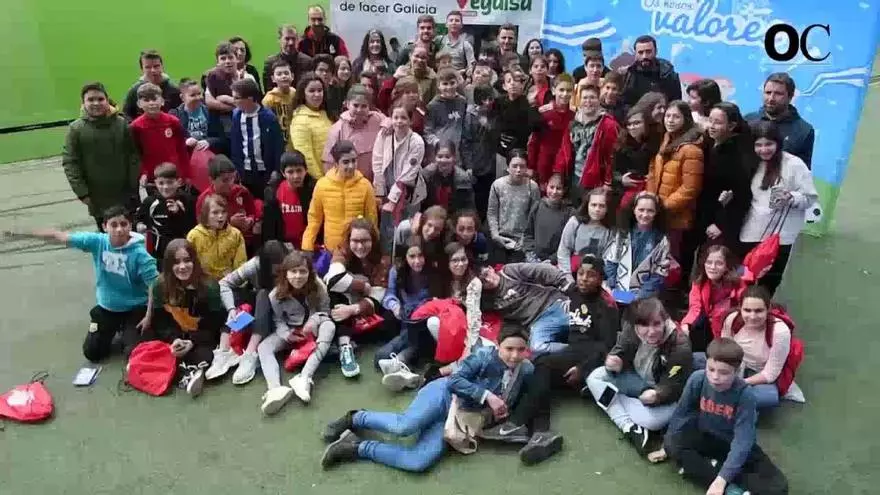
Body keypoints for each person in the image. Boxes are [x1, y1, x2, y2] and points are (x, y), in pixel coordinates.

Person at [319, 324, 533, 472]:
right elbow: (454, 381)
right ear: (499, 345)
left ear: (527, 350)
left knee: (418, 461)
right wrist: (487, 396)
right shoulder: (484, 355)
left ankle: (355, 448)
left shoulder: (526, 370)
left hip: (459, 417)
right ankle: (356, 417)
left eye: (520, 350)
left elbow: (522, 397)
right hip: (443, 395)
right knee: (404, 426)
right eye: (509, 349)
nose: (514, 355)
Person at [481, 254, 619, 465]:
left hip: (589, 354)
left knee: (542, 363)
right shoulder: (573, 292)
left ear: (601, 278)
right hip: (573, 348)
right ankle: (541, 433)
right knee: (541, 372)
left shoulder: (605, 304)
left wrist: (583, 369)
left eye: (591, 275)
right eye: (581, 274)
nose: (583, 279)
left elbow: (607, 345)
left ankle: (518, 423)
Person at [8, 205, 157, 361]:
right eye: (114, 225)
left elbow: (154, 285)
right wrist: (22, 234)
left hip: (135, 308)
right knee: (92, 353)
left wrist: (148, 315)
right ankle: (116, 329)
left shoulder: (141, 255)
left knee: (133, 353)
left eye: (123, 224)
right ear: (104, 227)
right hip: (108, 307)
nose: (119, 229)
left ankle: (129, 331)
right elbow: (59, 236)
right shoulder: (97, 242)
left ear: (130, 226)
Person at [658, 338, 789, 494]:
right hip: (705, 436)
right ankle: (730, 487)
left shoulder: (745, 394)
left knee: (779, 487)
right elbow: (681, 414)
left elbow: (743, 440)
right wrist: (666, 446)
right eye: (711, 369)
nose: (715, 377)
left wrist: (722, 479)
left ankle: (718, 473)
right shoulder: (698, 379)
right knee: (672, 444)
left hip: (731, 443)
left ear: (737, 370)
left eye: (724, 372)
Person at [585, 297, 692, 455]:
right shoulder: (631, 328)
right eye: (644, 325)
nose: (651, 331)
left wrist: (658, 394)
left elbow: (674, 387)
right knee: (594, 377)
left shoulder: (680, 346)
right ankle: (628, 427)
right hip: (636, 381)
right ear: (636, 324)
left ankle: (607, 397)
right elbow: (619, 351)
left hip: (659, 391)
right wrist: (615, 362)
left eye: (656, 324)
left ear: (665, 321)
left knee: (651, 421)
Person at [739, 121, 817, 295]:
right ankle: (741, 309)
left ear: (778, 143)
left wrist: (792, 197)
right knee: (744, 275)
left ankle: (761, 311)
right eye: (758, 145)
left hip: (780, 236)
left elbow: (810, 198)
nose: (764, 149)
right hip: (750, 231)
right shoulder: (750, 161)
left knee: (770, 279)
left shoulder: (794, 165)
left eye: (769, 144)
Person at [259, 252, 337, 411]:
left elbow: (325, 311)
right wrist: (287, 334)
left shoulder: (318, 285)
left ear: (309, 272)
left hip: (314, 327)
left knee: (329, 327)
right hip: (292, 331)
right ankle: (275, 389)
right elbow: (278, 320)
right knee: (264, 347)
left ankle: (304, 377)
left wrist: (314, 321)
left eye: (302, 271)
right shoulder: (275, 294)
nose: (298, 276)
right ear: (285, 273)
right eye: (293, 271)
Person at [151, 239, 225, 397]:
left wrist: (192, 341)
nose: (182, 266)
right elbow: (161, 322)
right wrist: (174, 340)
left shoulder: (210, 286)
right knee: (148, 344)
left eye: (187, 260)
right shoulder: (159, 285)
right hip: (175, 333)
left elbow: (214, 325)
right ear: (168, 265)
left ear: (195, 261)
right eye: (176, 262)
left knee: (207, 354)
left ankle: (187, 372)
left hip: (201, 335)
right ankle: (188, 370)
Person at [63, 82, 140, 230]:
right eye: (91, 100)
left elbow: (133, 156)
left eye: (100, 99)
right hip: (97, 198)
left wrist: (132, 185)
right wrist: (82, 193)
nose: (96, 103)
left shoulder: (122, 124)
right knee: (106, 241)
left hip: (125, 195)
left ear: (107, 100)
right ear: (83, 103)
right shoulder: (76, 129)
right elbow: (70, 163)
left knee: (131, 237)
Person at [323, 218, 393, 377]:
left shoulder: (383, 258)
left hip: (365, 308)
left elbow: (377, 298)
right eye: (355, 240)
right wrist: (363, 286)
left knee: (390, 321)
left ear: (373, 240)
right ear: (349, 240)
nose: (360, 246)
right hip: (344, 301)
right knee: (335, 295)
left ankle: (343, 338)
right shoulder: (342, 250)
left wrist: (353, 309)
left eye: (365, 241)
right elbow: (332, 281)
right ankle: (345, 348)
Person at [217, 240, 290, 385]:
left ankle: (250, 354)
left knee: (263, 294)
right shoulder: (254, 265)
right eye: (274, 270)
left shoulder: (294, 263)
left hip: (284, 314)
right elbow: (224, 283)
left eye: (281, 269)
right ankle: (224, 350)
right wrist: (231, 308)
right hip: (260, 314)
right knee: (239, 298)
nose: (277, 272)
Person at [715, 286, 795, 410]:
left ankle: (723, 401)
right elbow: (725, 352)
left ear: (768, 309)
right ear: (740, 308)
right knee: (696, 358)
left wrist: (738, 383)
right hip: (735, 366)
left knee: (768, 397)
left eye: (758, 311)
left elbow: (770, 374)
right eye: (747, 310)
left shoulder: (780, 331)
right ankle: (733, 402)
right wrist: (725, 374)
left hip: (760, 374)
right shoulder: (731, 319)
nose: (752, 316)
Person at [646, 100, 704, 259]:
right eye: (668, 116)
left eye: (676, 117)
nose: (670, 120)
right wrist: (650, 200)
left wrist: (663, 206)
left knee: (670, 262)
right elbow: (653, 171)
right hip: (657, 212)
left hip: (676, 217)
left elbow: (690, 188)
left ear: (685, 119)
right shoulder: (665, 140)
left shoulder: (691, 150)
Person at [695, 102, 755, 253]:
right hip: (703, 217)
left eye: (718, 122)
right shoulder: (709, 144)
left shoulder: (739, 155)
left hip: (720, 225)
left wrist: (721, 224)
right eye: (710, 121)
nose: (712, 126)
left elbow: (742, 196)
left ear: (732, 125)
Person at [375, 237, 434, 390]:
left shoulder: (432, 271)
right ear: (405, 257)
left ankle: (399, 362)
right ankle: (401, 367)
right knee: (379, 358)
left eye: (420, 256)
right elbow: (389, 295)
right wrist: (395, 307)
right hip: (406, 320)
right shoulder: (397, 271)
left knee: (419, 334)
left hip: (426, 321)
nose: (417, 261)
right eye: (412, 256)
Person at [479, 262, 572, 354]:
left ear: (491, 268)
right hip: (537, 323)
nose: (489, 280)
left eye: (486, 274)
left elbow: (541, 270)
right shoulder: (487, 300)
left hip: (553, 305)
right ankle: (577, 350)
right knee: (537, 347)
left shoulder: (508, 272)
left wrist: (566, 285)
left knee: (580, 328)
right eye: (483, 281)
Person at [302, 141, 379, 254]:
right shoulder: (322, 185)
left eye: (354, 160)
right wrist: (307, 245)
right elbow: (314, 218)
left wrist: (375, 247)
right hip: (332, 249)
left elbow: (372, 220)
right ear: (336, 164)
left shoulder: (365, 185)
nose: (351, 166)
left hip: (359, 249)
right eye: (346, 162)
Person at [555, 83, 619, 202]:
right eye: (585, 98)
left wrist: (608, 182)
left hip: (596, 182)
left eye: (592, 97)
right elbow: (564, 151)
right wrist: (558, 173)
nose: (588, 101)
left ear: (599, 100)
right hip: (574, 178)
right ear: (579, 100)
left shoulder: (608, 125)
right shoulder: (572, 123)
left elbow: (612, 156)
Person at [372, 102, 427, 236]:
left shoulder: (416, 142)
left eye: (403, 118)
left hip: (409, 192)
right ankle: (387, 255)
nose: (399, 122)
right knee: (387, 231)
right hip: (386, 188)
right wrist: (380, 193)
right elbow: (377, 162)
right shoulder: (384, 135)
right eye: (395, 117)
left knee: (407, 231)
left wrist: (392, 201)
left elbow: (407, 176)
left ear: (410, 120)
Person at [681, 245, 749, 353]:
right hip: (708, 323)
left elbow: (744, 308)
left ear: (727, 266)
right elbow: (695, 307)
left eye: (719, 263)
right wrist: (686, 324)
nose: (712, 267)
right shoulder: (699, 282)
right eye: (709, 262)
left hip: (730, 326)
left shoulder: (738, 285)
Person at [604, 192, 672, 299]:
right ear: (634, 210)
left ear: (656, 213)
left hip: (644, 295)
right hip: (617, 291)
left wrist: (641, 294)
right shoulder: (623, 233)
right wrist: (612, 285)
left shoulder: (661, 240)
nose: (645, 215)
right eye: (641, 210)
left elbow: (660, 273)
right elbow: (611, 262)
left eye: (650, 211)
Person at [745, 72, 814, 168]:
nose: (771, 98)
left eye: (778, 94)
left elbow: (802, 174)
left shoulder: (804, 130)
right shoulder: (747, 121)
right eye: (768, 93)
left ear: (790, 97)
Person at [229, 78, 283, 198]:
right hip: (245, 172)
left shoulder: (268, 118)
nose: (234, 101)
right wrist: (237, 168)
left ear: (250, 99)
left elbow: (277, 146)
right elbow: (235, 145)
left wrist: (277, 170)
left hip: (265, 172)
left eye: (237, 98)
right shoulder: (236, 116)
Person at [487, 149, 541, 264]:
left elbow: (535, 217)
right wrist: (495, 235)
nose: (518, 170)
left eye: (522, 166)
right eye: (514, 166)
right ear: (508, 167)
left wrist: (525, 241)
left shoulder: (533, 187)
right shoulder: (498, 185)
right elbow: (492, 212)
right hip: (500, 237)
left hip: (522, 241)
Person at [130, 83, 190, 185]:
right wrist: (143, 173)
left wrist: (186, 174)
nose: (151, 103)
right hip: (152, 177)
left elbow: (182, 149)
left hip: (174, 175)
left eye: (154, 99)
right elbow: (136, 154)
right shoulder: (136, 126)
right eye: (146, 100)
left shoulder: (173, 121)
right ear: (139, 104)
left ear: (162, 101)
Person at [135, 163, 197, 261]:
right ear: (155, 183)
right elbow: (139, 219)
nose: (165, 187)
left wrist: (178, 213)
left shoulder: (187, 200)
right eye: (161, 183)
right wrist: (140, 225)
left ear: (179, 182)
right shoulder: (150, 202)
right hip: (158, 252)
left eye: (170, 182)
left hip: (182, 250)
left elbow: (193, 227)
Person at [322, 85, 384, 181]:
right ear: (347, 104)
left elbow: (393, 122)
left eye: (364, 106)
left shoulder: (378, 120)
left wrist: (389, 124)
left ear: (369, 107)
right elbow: (328, 163)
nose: (359, 110)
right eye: (355, 105)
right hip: (348, 184)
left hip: (375, 183)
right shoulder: (337, 129)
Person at [196, 155, 259, 249]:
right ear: (212, 180)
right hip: (219, 248)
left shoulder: (241, 191)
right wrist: (229, 223)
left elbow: (252, 212)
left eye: (233, 178)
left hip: (245, 244)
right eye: (225, 180)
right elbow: (202, 230)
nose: (230, 183)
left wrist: (249, 221)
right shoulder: (204, 199)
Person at [528, 74, 574, 190]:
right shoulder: (543, 113)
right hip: (544, 165)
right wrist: (531, 167)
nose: (565, 94)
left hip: (566, 167)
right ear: (553, 90)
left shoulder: (575, 116)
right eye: (561, 90)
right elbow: (533, 142)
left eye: (568, 90)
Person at [261, 151, 316, 249]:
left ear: (306, 170)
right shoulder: (273, 193)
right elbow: (269, 228)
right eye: (290, 172)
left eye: (299, 170)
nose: (296, 176)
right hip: (283, 247)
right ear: (283, 173)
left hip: (309, 245)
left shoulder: (314, 190)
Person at [612, 105, 661, 214]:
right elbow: (611, 170)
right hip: (626, 190)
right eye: (629, 124)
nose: (632, 127)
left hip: (650, 190)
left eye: (637, 123)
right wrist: (621, 179)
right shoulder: (621, 144)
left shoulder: (656, 142)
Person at [187, 194, 246, 281]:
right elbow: (190, 263)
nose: (220, 216)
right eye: (215, 212)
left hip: (229, 283)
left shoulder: (236, 234)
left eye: (223, 212)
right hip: (202, 283)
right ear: (206, 214)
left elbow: (241, 265)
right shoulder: (194, 235)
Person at [460, 85, 499, 218]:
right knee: (476, 197)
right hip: (476, 161)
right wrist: (469, 165)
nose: (487, 103)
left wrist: (488, 126)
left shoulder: (496, 112)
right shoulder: (470, 115)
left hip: (492, 163)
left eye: (490, 99)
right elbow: (466, 141)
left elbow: (498, 136)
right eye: (483, 99)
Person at [556, 188, 612, 271]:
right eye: (593, 205)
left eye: (602, 206)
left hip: (595, 273)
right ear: (587, 205)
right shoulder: (575, 223)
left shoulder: (609, 230)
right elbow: (564, 250)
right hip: (572, 270)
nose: (597, 209)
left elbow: (607, 258)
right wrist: (567, 274)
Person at [290, 72, 332, 179]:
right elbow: (306, 156)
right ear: (303, 93)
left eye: (320, 90)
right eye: (311, 91)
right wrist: (320, 179)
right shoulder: (300, 120)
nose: (317, 94)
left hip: (333, 175)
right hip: (317, 180)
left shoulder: (326, 114)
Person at [621, 35, 682, 107]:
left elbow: (676, 104)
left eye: (648, 52)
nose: (644, 56)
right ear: (635, 54)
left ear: (656, 52)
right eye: (640, 52)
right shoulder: (628, 76)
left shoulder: (668, 75)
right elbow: (624, 105)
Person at [524, 174, 573, 264]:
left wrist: (552, 260)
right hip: (533, 259)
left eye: (558, 188)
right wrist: (530, 254)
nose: (554, 192)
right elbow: (528, 233)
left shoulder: (570, 213)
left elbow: (569, 243)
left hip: (556, 261)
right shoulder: (537, 206)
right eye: (551, 187)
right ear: (546, 186)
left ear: (564, 190)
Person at [493, 67, 542, 156]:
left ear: (522, 85)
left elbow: (536, 126)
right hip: (500, 150)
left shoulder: (528, 103)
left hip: (521, 151)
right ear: (504, 86)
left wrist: (531, 105)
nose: (512, 84)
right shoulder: (498, 102)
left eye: (516, 81)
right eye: (509, 81)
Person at [171, 78, 227, 156]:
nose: (198, 98)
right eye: (192, 95)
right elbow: (171, 140)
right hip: (186, 156)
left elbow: (222, 138)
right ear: (182, 98)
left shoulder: (210, 112)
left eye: (199, 94)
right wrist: (186, 141)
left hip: (208, 155)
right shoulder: (174, 115)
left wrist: (208, 142)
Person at [122, 50, 182, 120]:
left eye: (156, 66)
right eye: (148, 67)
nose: (153, 70)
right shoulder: (134, 92)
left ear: (162, 67)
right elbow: (126, 115)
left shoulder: (174, 91)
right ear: (142, 69)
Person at [420, 141, 475, 216]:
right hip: (431, 216)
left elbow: (468, 207)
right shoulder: (426, 175)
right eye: (440, 156)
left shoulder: (463, 179)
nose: (443, 160)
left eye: (447, 157)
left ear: (454, 158)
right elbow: (421, 204)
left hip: (454, 218)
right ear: (435, 158)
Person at [425, 68, 467, 152]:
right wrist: (437, 143)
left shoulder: (462, 101)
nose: (449, 87)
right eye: (445, 84)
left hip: (459, 149)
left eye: (452, 83)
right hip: (440, 150)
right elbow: (427, 131)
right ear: (439, 86)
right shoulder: (433, 105)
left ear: (457, 83)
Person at [263, 25, 314, 91]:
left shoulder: (308, 61)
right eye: (287, 39)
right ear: (279, 40)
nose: (291, 43)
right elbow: (268, 90)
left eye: (293, 39)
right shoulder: (270, 63)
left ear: (298, 40)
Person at [261, 61, 297, 149]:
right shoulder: (269, 99)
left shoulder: (295, 94)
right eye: (279, 74)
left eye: (286, 73)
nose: (283, 76)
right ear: (273, 78)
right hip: (278, 140)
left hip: (294, 138)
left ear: (292, 76)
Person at [204, 42, 239, 125]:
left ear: (236, 59)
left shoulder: (247, 77)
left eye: (230, 57)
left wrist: (226, 98)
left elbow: (252, 103)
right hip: (220, 123)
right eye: (223, 58)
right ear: (217, 62)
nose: (227, 61)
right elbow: (210, 102)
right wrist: (237, 106)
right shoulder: (213, 77)